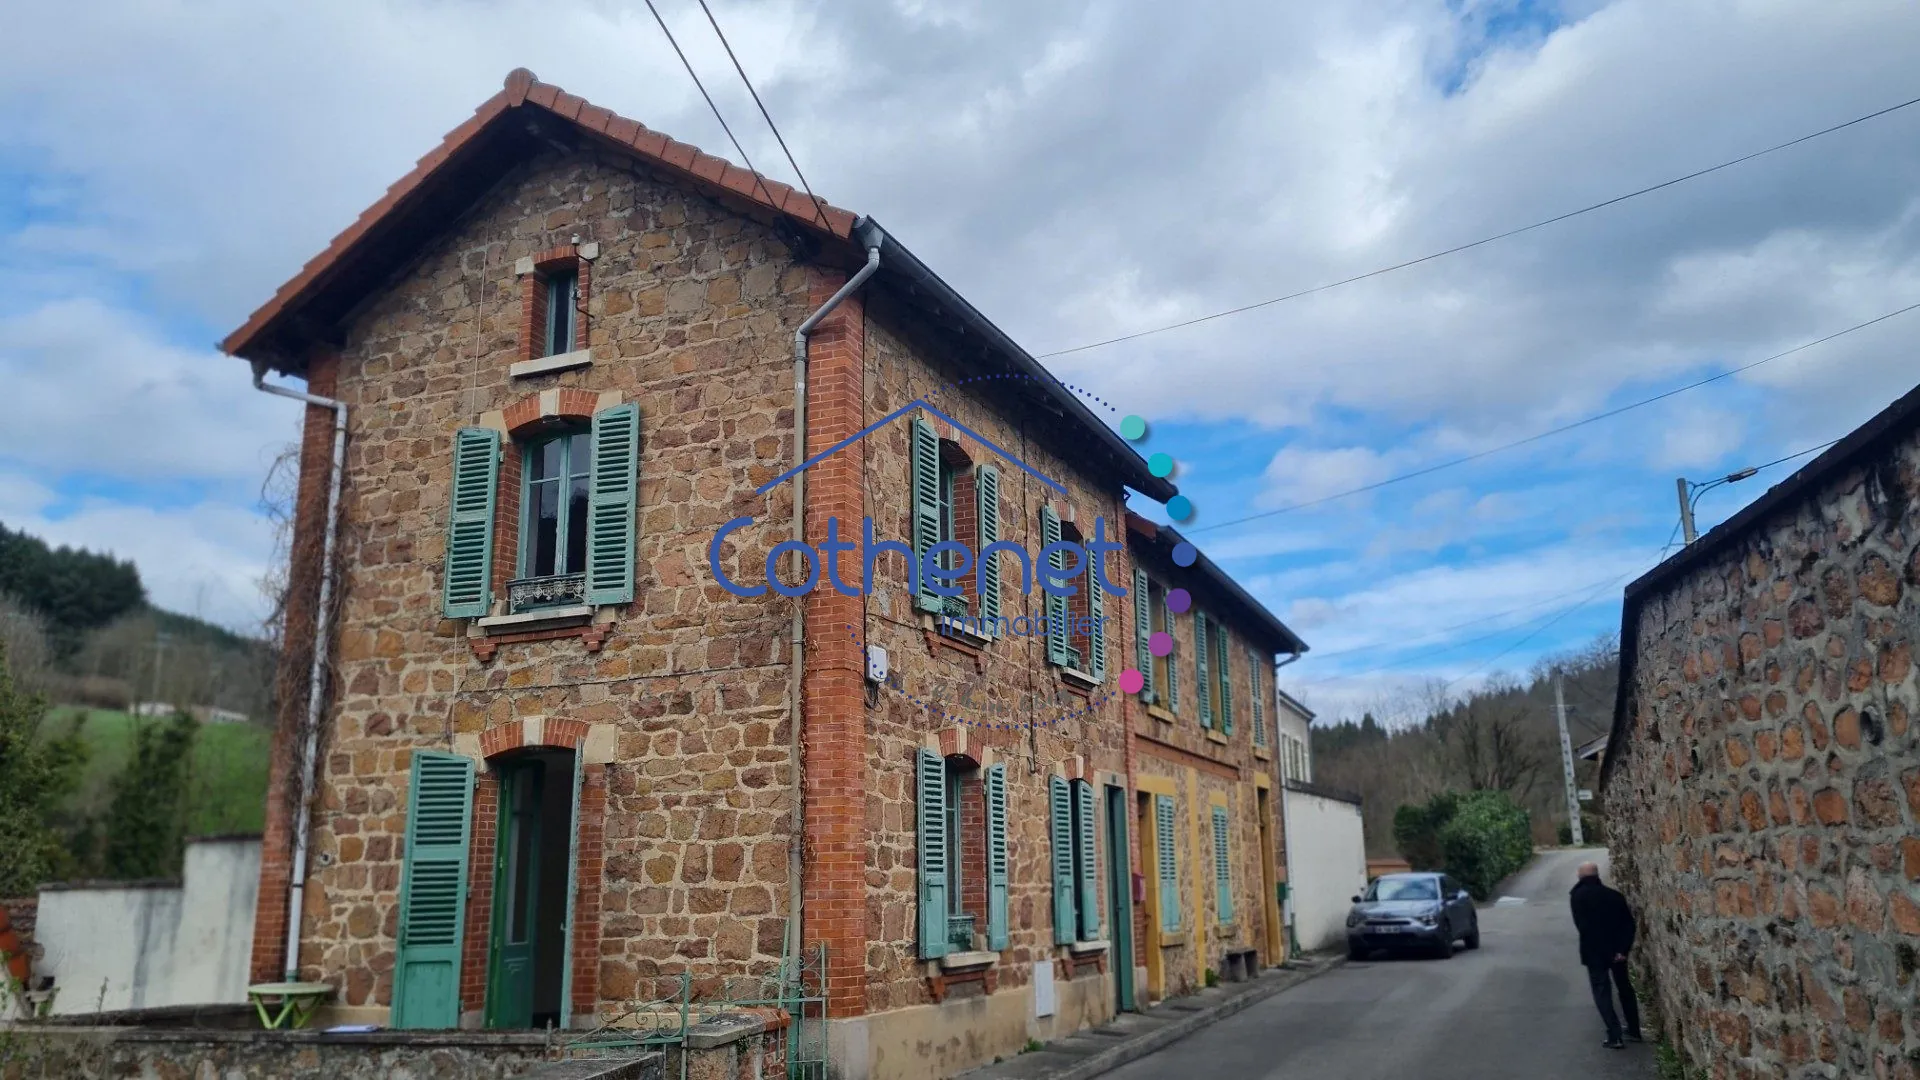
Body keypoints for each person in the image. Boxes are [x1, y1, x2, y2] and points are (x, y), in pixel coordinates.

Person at [1570, 862, 1641, 1050]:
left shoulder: (1578, 896)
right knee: (1624, 987)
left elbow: (1584, 927)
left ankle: (1615, 1035)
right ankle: (1634, 1029)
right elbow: (1629, 925)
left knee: (1602, 992)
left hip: (1595, 952)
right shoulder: (1615, 896)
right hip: (1618, 953)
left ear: (1581, 877)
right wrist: (1621, 950)